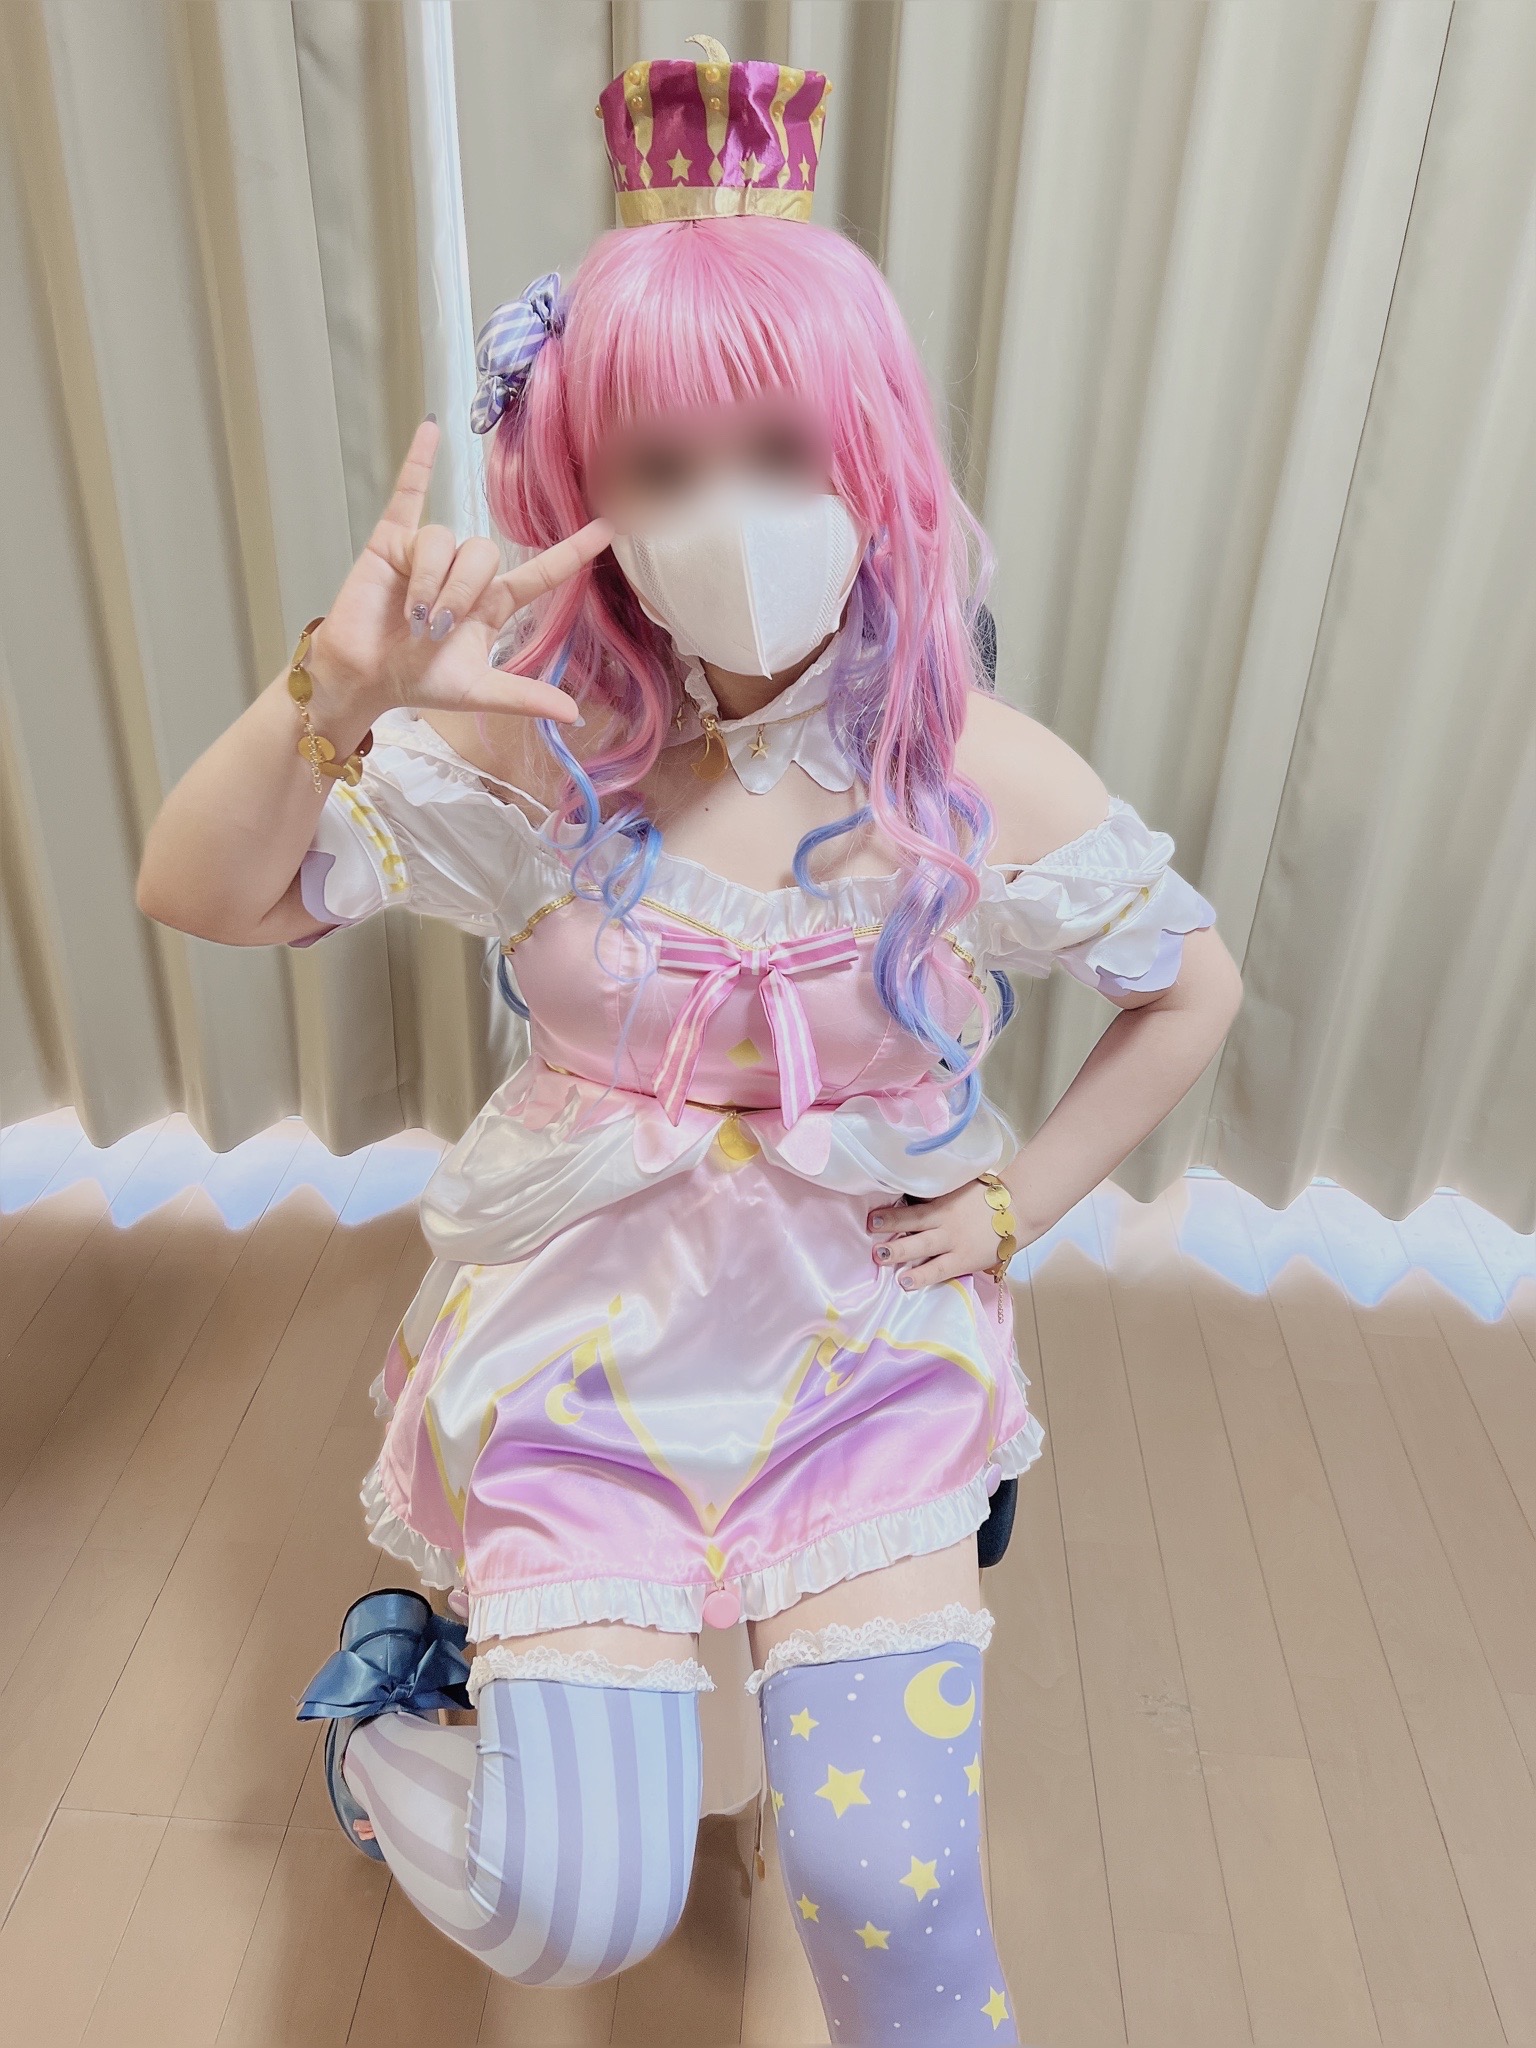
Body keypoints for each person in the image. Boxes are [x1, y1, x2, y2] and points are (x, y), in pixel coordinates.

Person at [136, 36, 1242, 2044]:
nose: (731, 508)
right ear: (587, 493)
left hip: (860, 1355)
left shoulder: (968, 774)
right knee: (574, 1910)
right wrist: (333, 686)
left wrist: (1013, 1203)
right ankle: (405, 1718)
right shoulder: (533, 751)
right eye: (662, 467)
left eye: (783, 447)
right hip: (589, 1356)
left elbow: (1193, 989)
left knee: (890, 1894)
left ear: (868, 458)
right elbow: (209, 890)